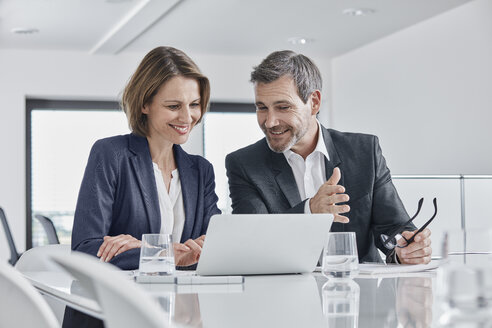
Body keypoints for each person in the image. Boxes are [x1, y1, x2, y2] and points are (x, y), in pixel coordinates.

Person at [225, 50, 432, 265]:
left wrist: (404, 248)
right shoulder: (244, 164)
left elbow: (394, 227)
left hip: (360, 293)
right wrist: (310, 210)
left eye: (283, 107)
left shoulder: (365, 151)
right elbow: (254, 241)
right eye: (262, 108)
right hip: (285, 294)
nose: (270, 122)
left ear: (314, 102)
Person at [64, 46, 220, 328]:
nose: (187, 117)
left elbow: (213, 249)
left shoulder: (201, 171)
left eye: (194, 104)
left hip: (180, 316)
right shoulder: (111, 154)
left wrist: (146, 248)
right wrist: (161, 252)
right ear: (145, 104)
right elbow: (86, 249)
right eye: (174, 106)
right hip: (114, 315)